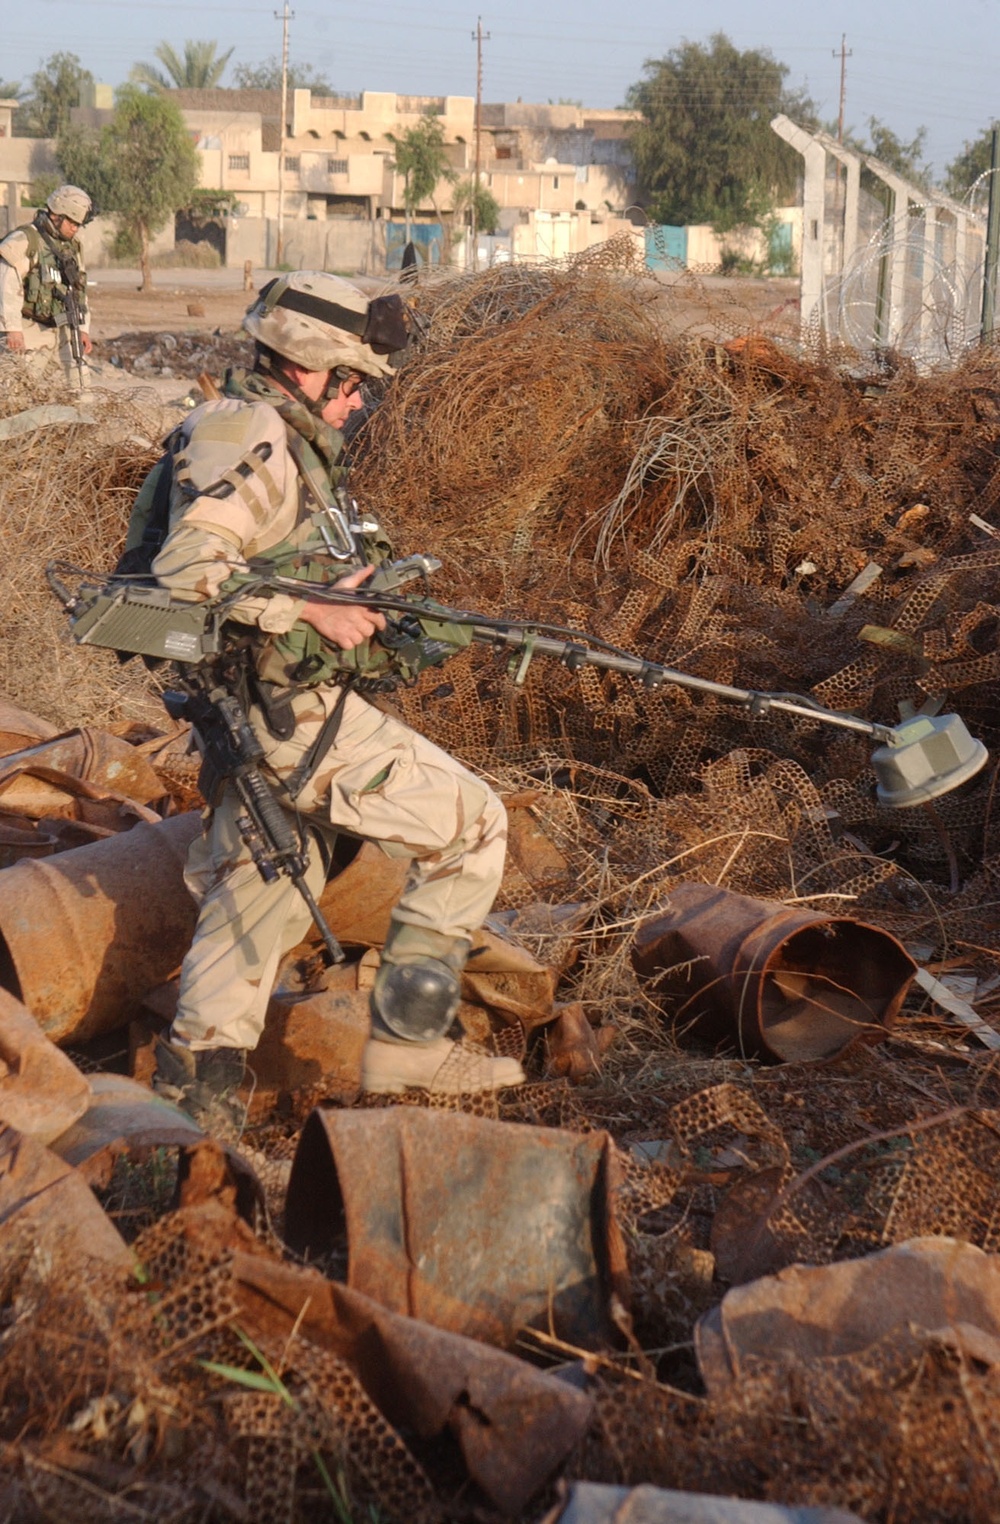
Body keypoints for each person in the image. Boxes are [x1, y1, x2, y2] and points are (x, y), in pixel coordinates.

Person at [149, 270, 525, 1130]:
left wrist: (362, 602)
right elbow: (188, 570)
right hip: (286, 714)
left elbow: (272, 563)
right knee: (472, 825)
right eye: (352, 385)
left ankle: (190, 1106)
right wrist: (314, 608)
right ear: (309, 366)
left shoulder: (277, 438)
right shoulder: (249, 432)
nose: (358, 406)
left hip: (259, 711)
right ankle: (406, 1050)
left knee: (270, 880)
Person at [0, 185, 92, 383]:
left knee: (81, 385)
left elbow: (79, 289)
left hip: (63, 329)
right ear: (57, 214)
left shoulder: (72, 247)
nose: (75, 228)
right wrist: (13, 329)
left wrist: (84, 328)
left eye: (78, 224)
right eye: (71, 222)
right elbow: (7, 288)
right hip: (29, 329)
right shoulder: (25, 240)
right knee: (17, 390)